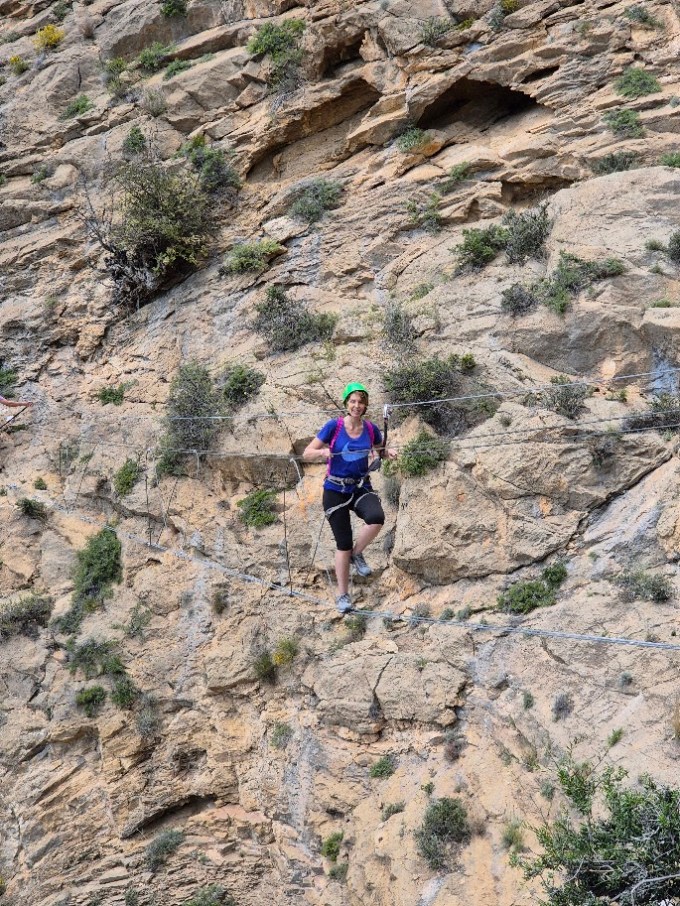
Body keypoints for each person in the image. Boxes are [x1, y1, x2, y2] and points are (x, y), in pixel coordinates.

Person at [303, 382, 395, 614]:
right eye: (353, 401)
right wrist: (322, 452)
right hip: (334, 490)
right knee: (342, 544)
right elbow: (307, 452)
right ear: (346, 403)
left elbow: (379, 449)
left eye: (361, 402)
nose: (357, 405)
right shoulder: (333, 427)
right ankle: (343, 595)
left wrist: (388, 452)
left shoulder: (371, 428)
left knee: (376, 517)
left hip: (360, 486)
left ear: (365, 406)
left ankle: (357, 554)